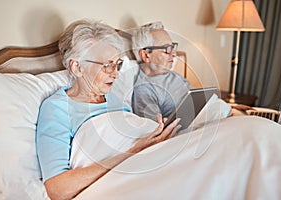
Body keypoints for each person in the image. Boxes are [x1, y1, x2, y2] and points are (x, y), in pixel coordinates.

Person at [36, 19, 181, 200]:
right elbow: (57, 189)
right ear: (77, 67)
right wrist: (132, 153)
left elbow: (129, 134)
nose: (115, 73)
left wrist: (159, 133)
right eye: (106, 65)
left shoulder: (114, 98)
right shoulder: (56, 108)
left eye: (117, 64)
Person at [131, 22, 193, 121]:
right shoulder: (144, 89)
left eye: (172, 47)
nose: (174, 54)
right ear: (146, 55)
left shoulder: (172, 75)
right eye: (167, 49)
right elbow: (156, 129)